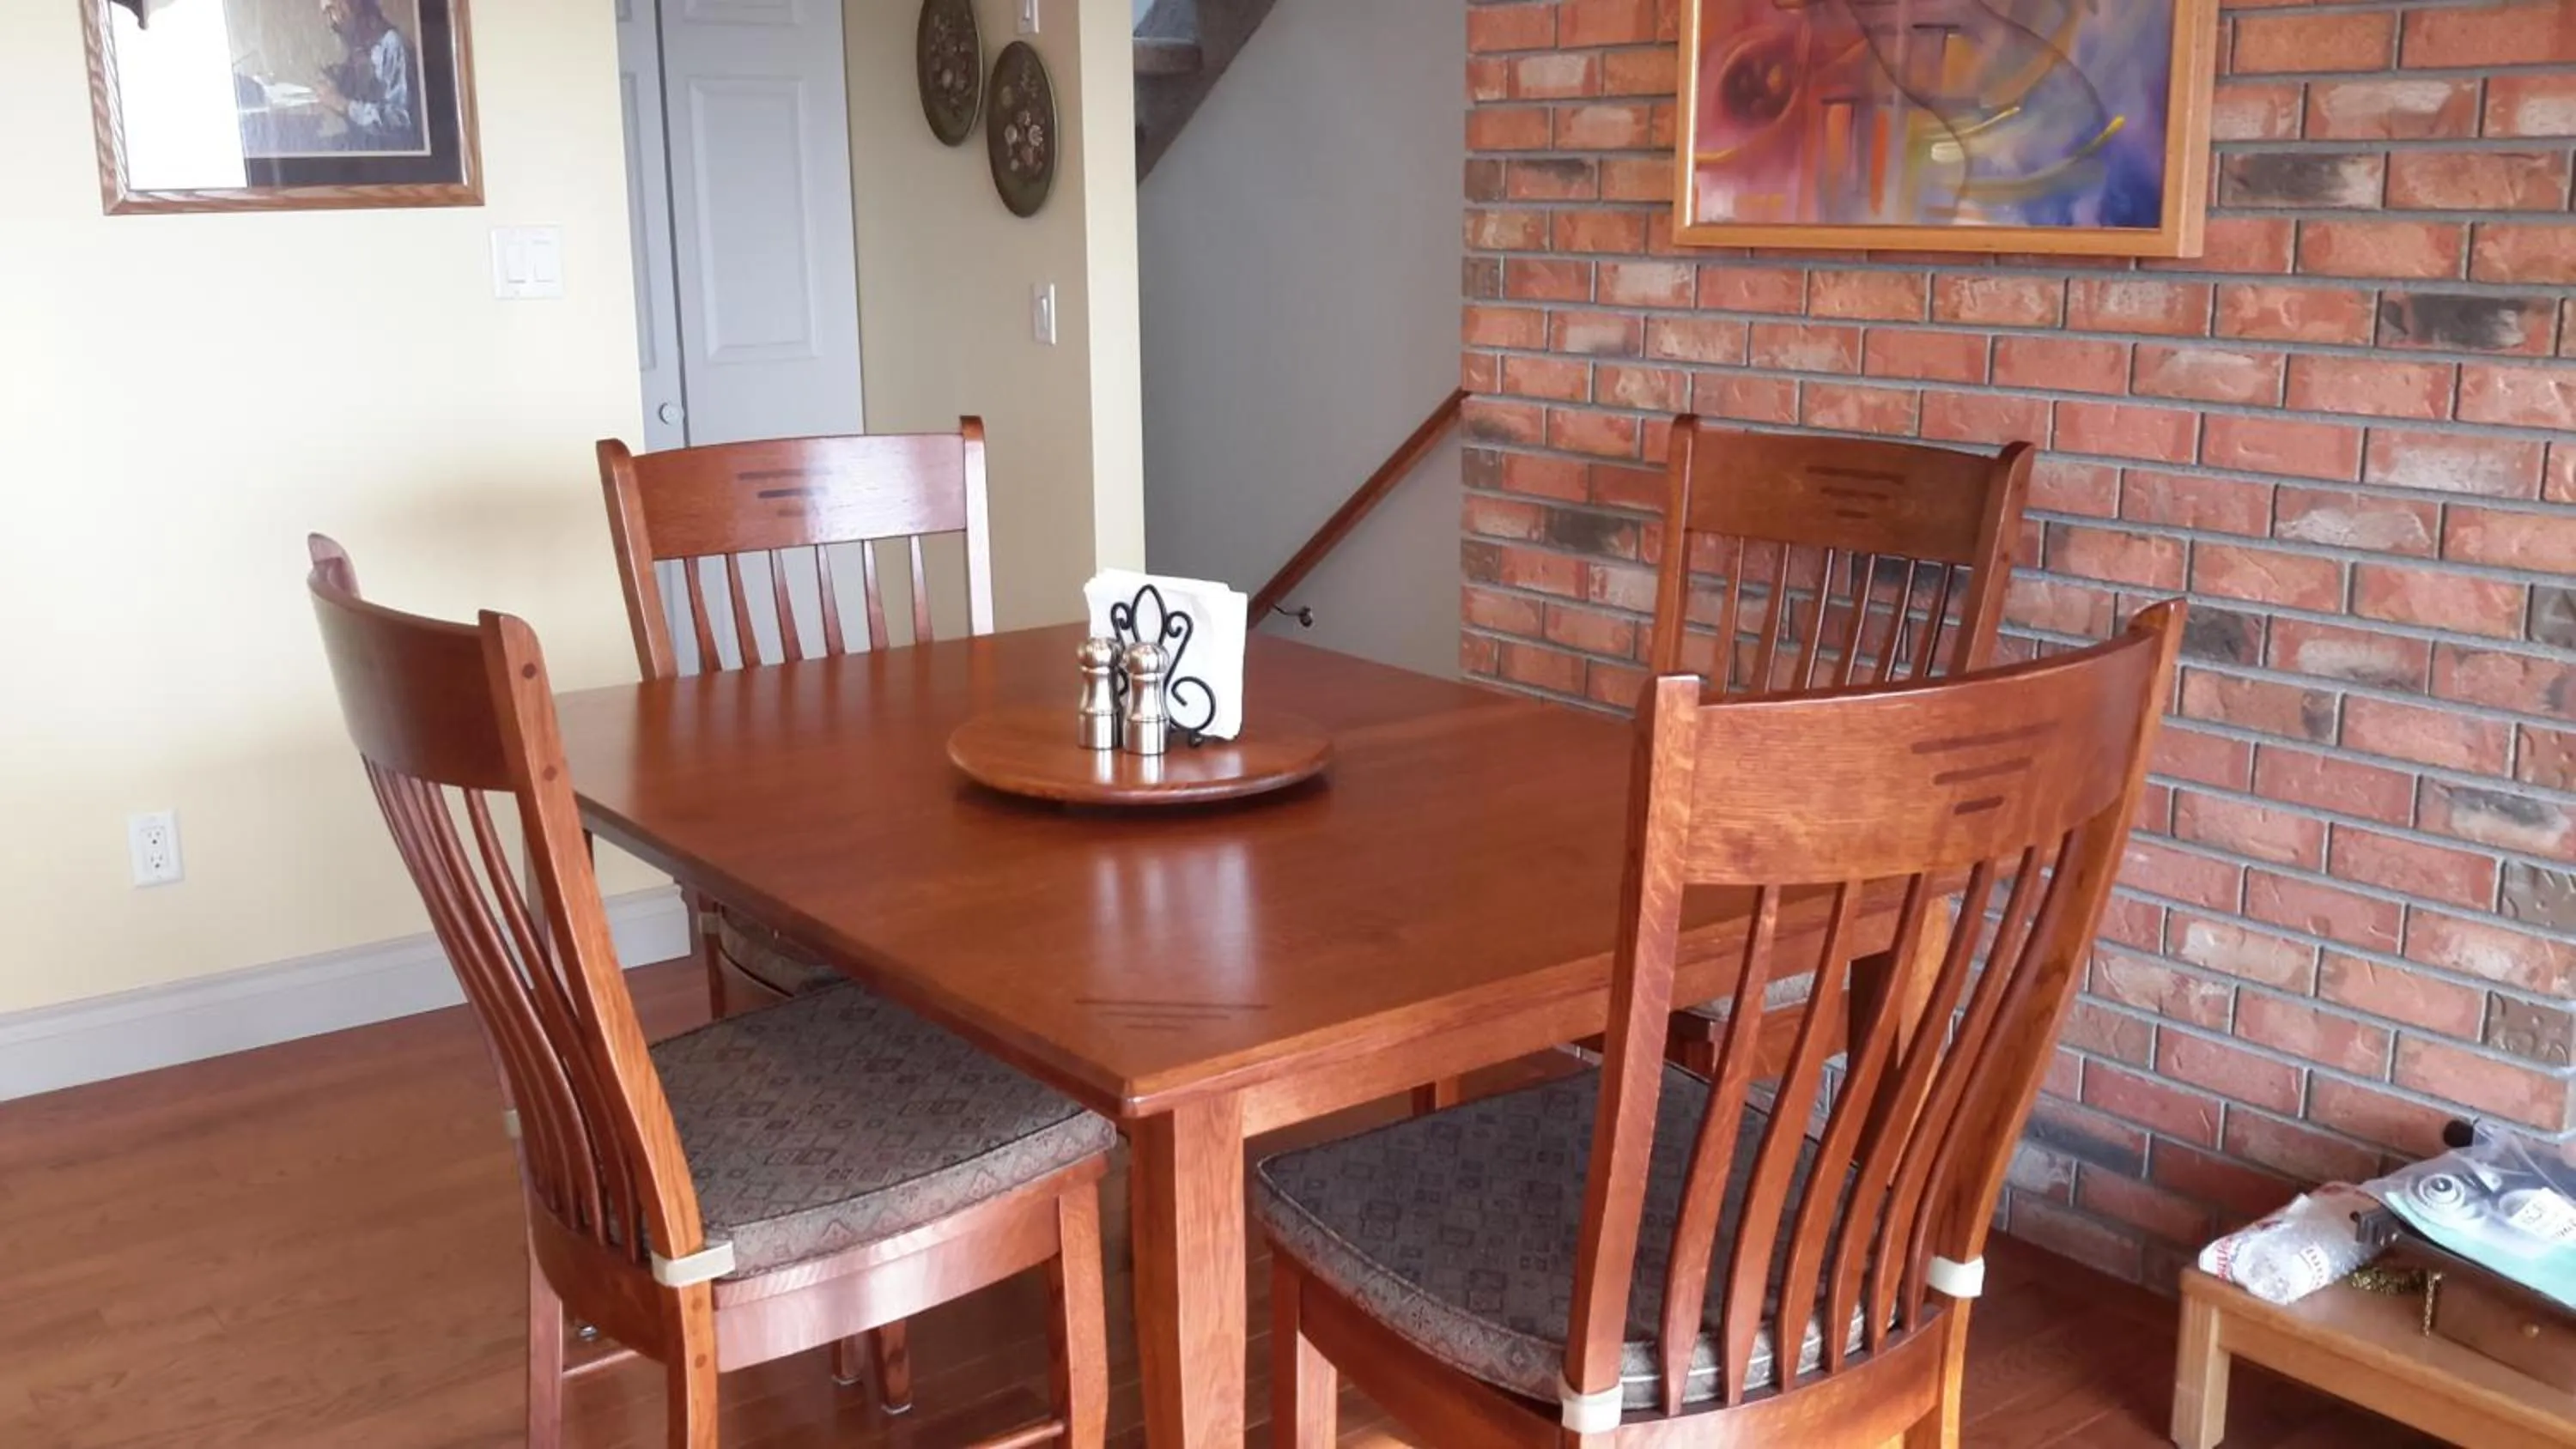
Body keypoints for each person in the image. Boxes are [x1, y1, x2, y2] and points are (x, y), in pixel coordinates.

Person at [311, 0, 421, 152]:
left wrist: (343, 105)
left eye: (332, 11)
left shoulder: (394, 46)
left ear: (355, 5)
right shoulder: (360, 49)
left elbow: (402, 122)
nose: (331, 24)